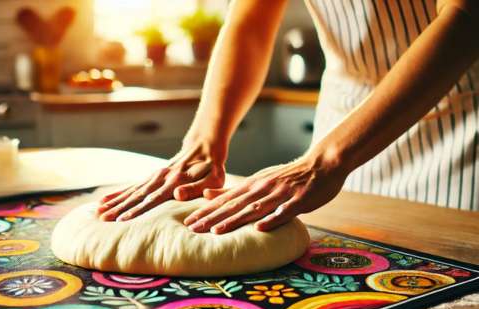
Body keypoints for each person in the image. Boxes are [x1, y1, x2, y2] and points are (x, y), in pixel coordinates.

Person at [98, 0, 479, 234]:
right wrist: (201, 143)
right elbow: (249, 21)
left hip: (460, 126)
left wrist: (327, 160)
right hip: (344, 117)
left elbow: (465, 17)